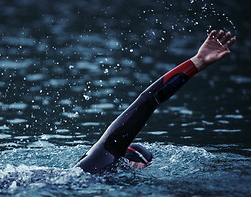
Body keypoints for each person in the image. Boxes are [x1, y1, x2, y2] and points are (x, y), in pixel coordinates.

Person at [74, 29, 236, 174]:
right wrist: (198, 61)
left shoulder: (94, 162)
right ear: (135, 164)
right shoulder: (107, 154)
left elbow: (148, 100)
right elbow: (148, 100)